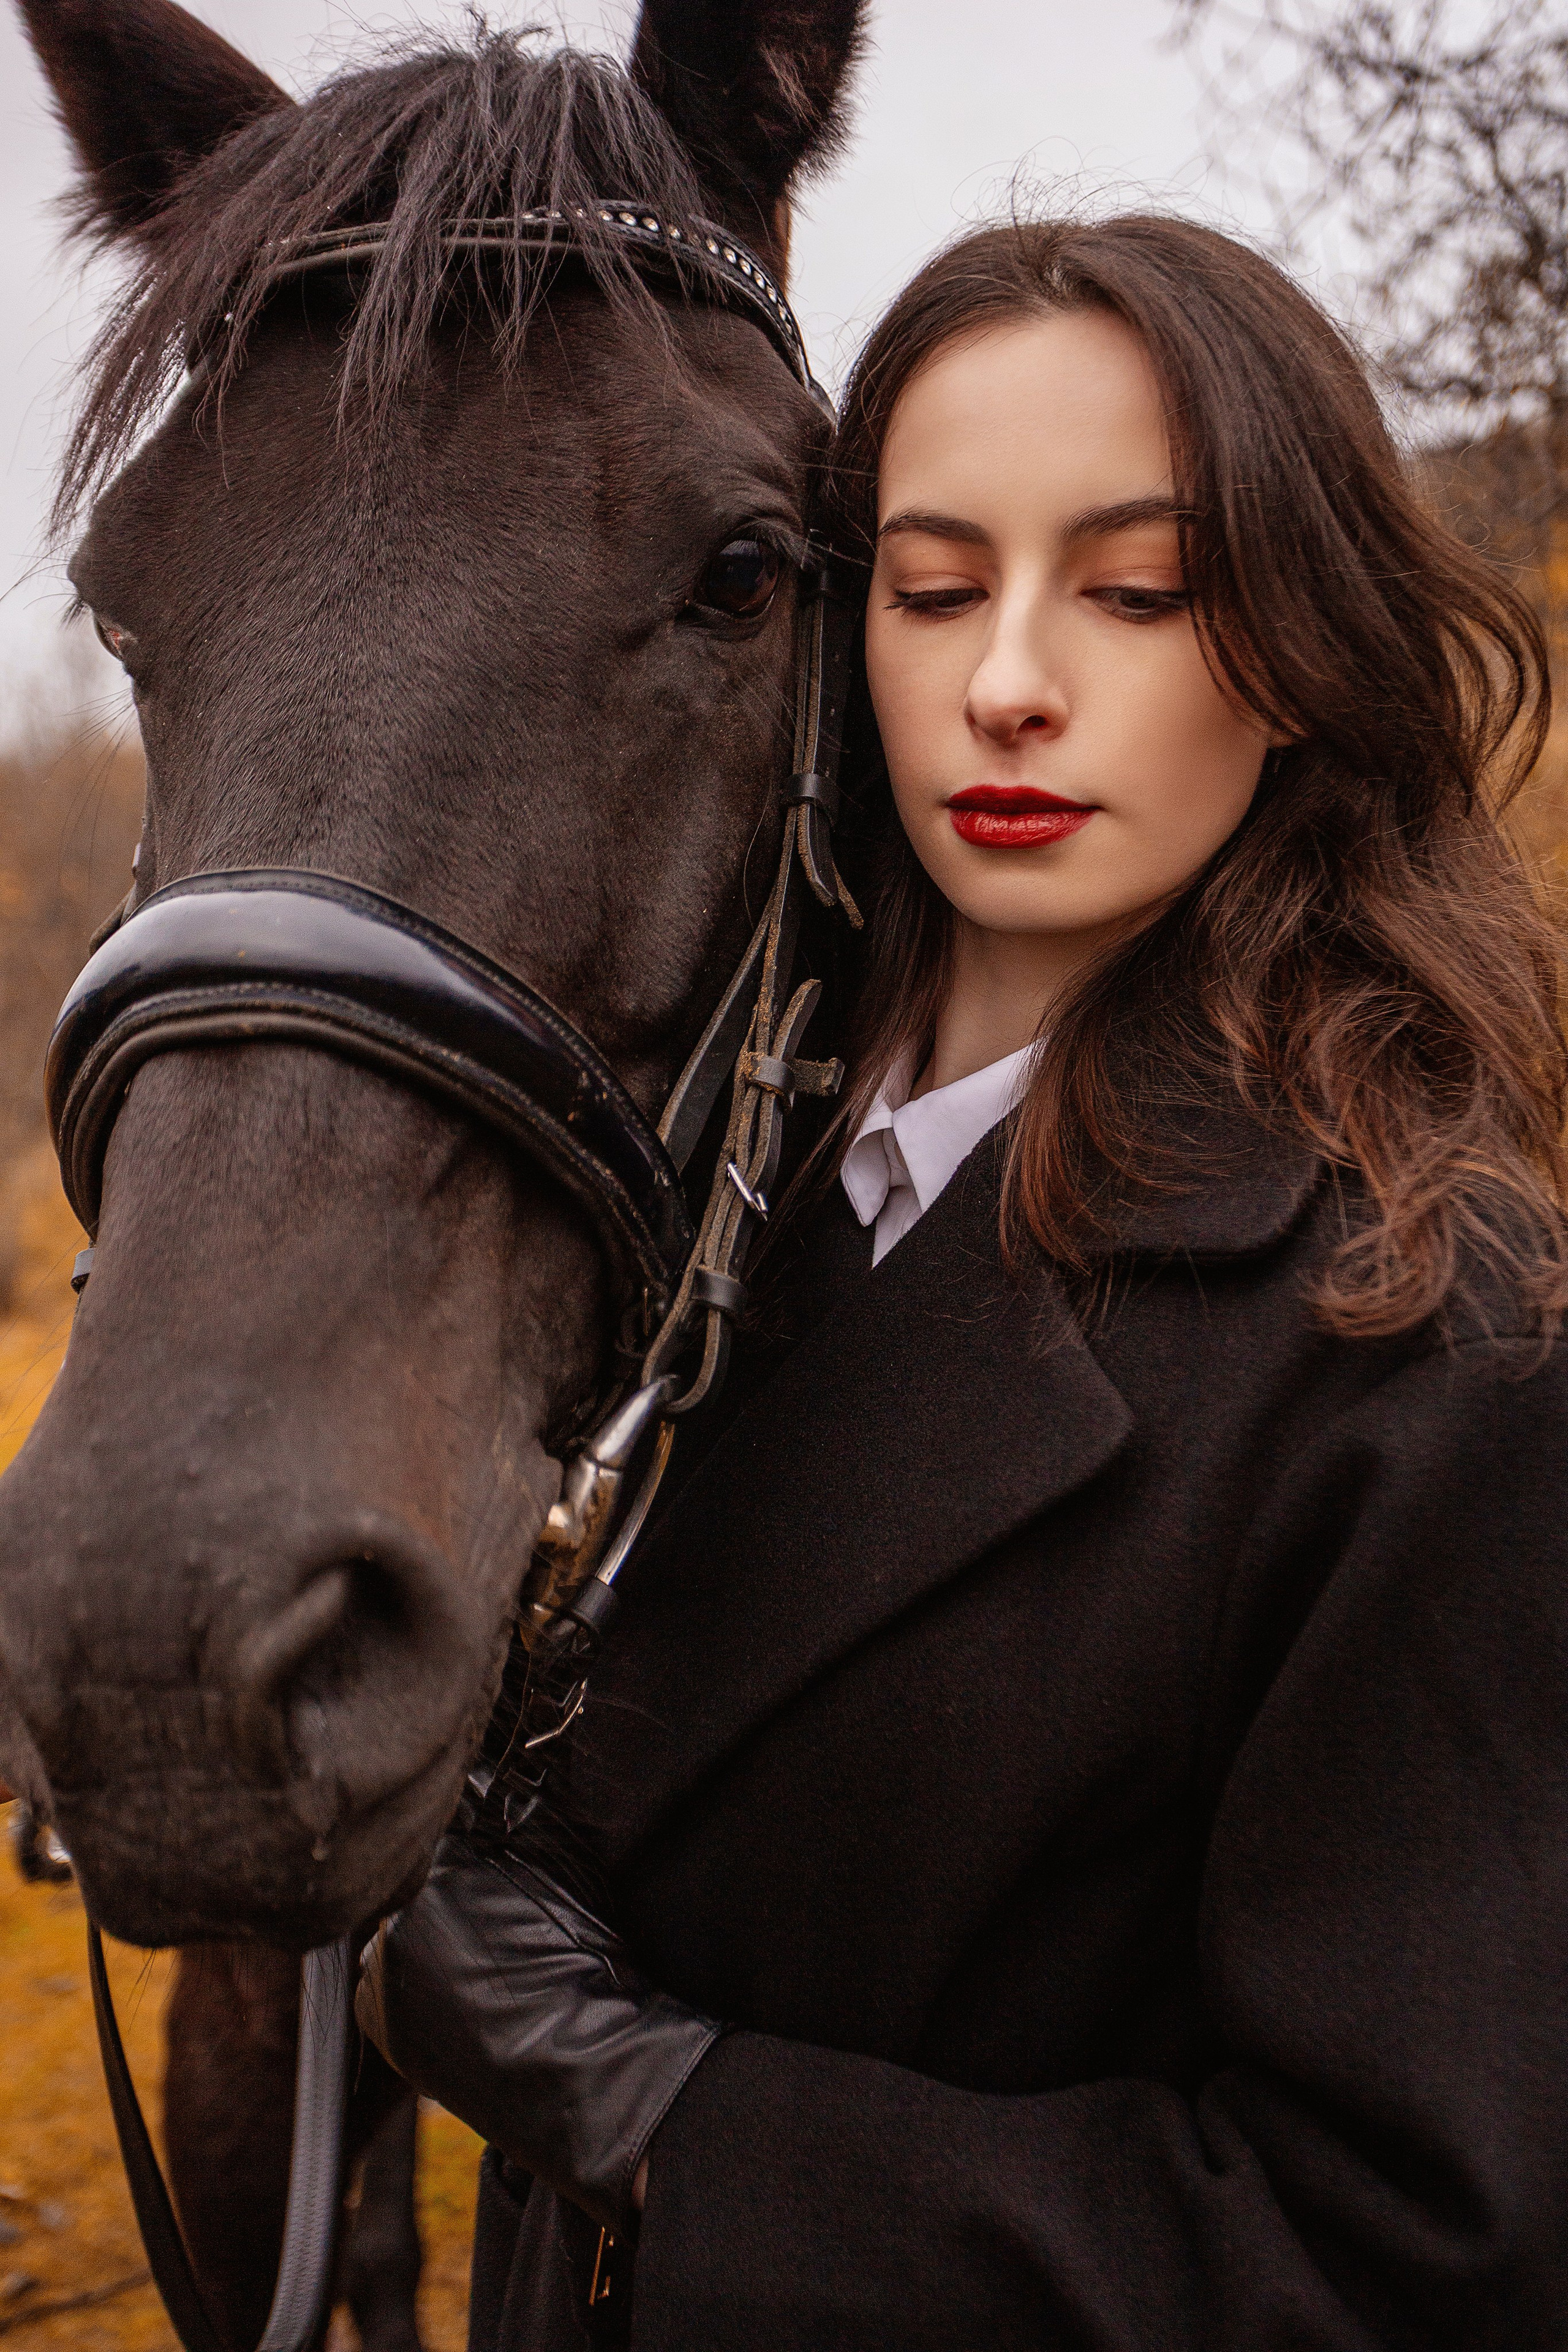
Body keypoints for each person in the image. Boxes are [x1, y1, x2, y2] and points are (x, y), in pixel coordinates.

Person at [358, 215, 1568, 2350]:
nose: (1010, 677)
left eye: (1135, 589)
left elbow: (1406, 2265)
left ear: (1290, 641)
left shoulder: (1441, 1332)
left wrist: (661, 2121)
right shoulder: (705, 1177)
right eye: (932, 590)